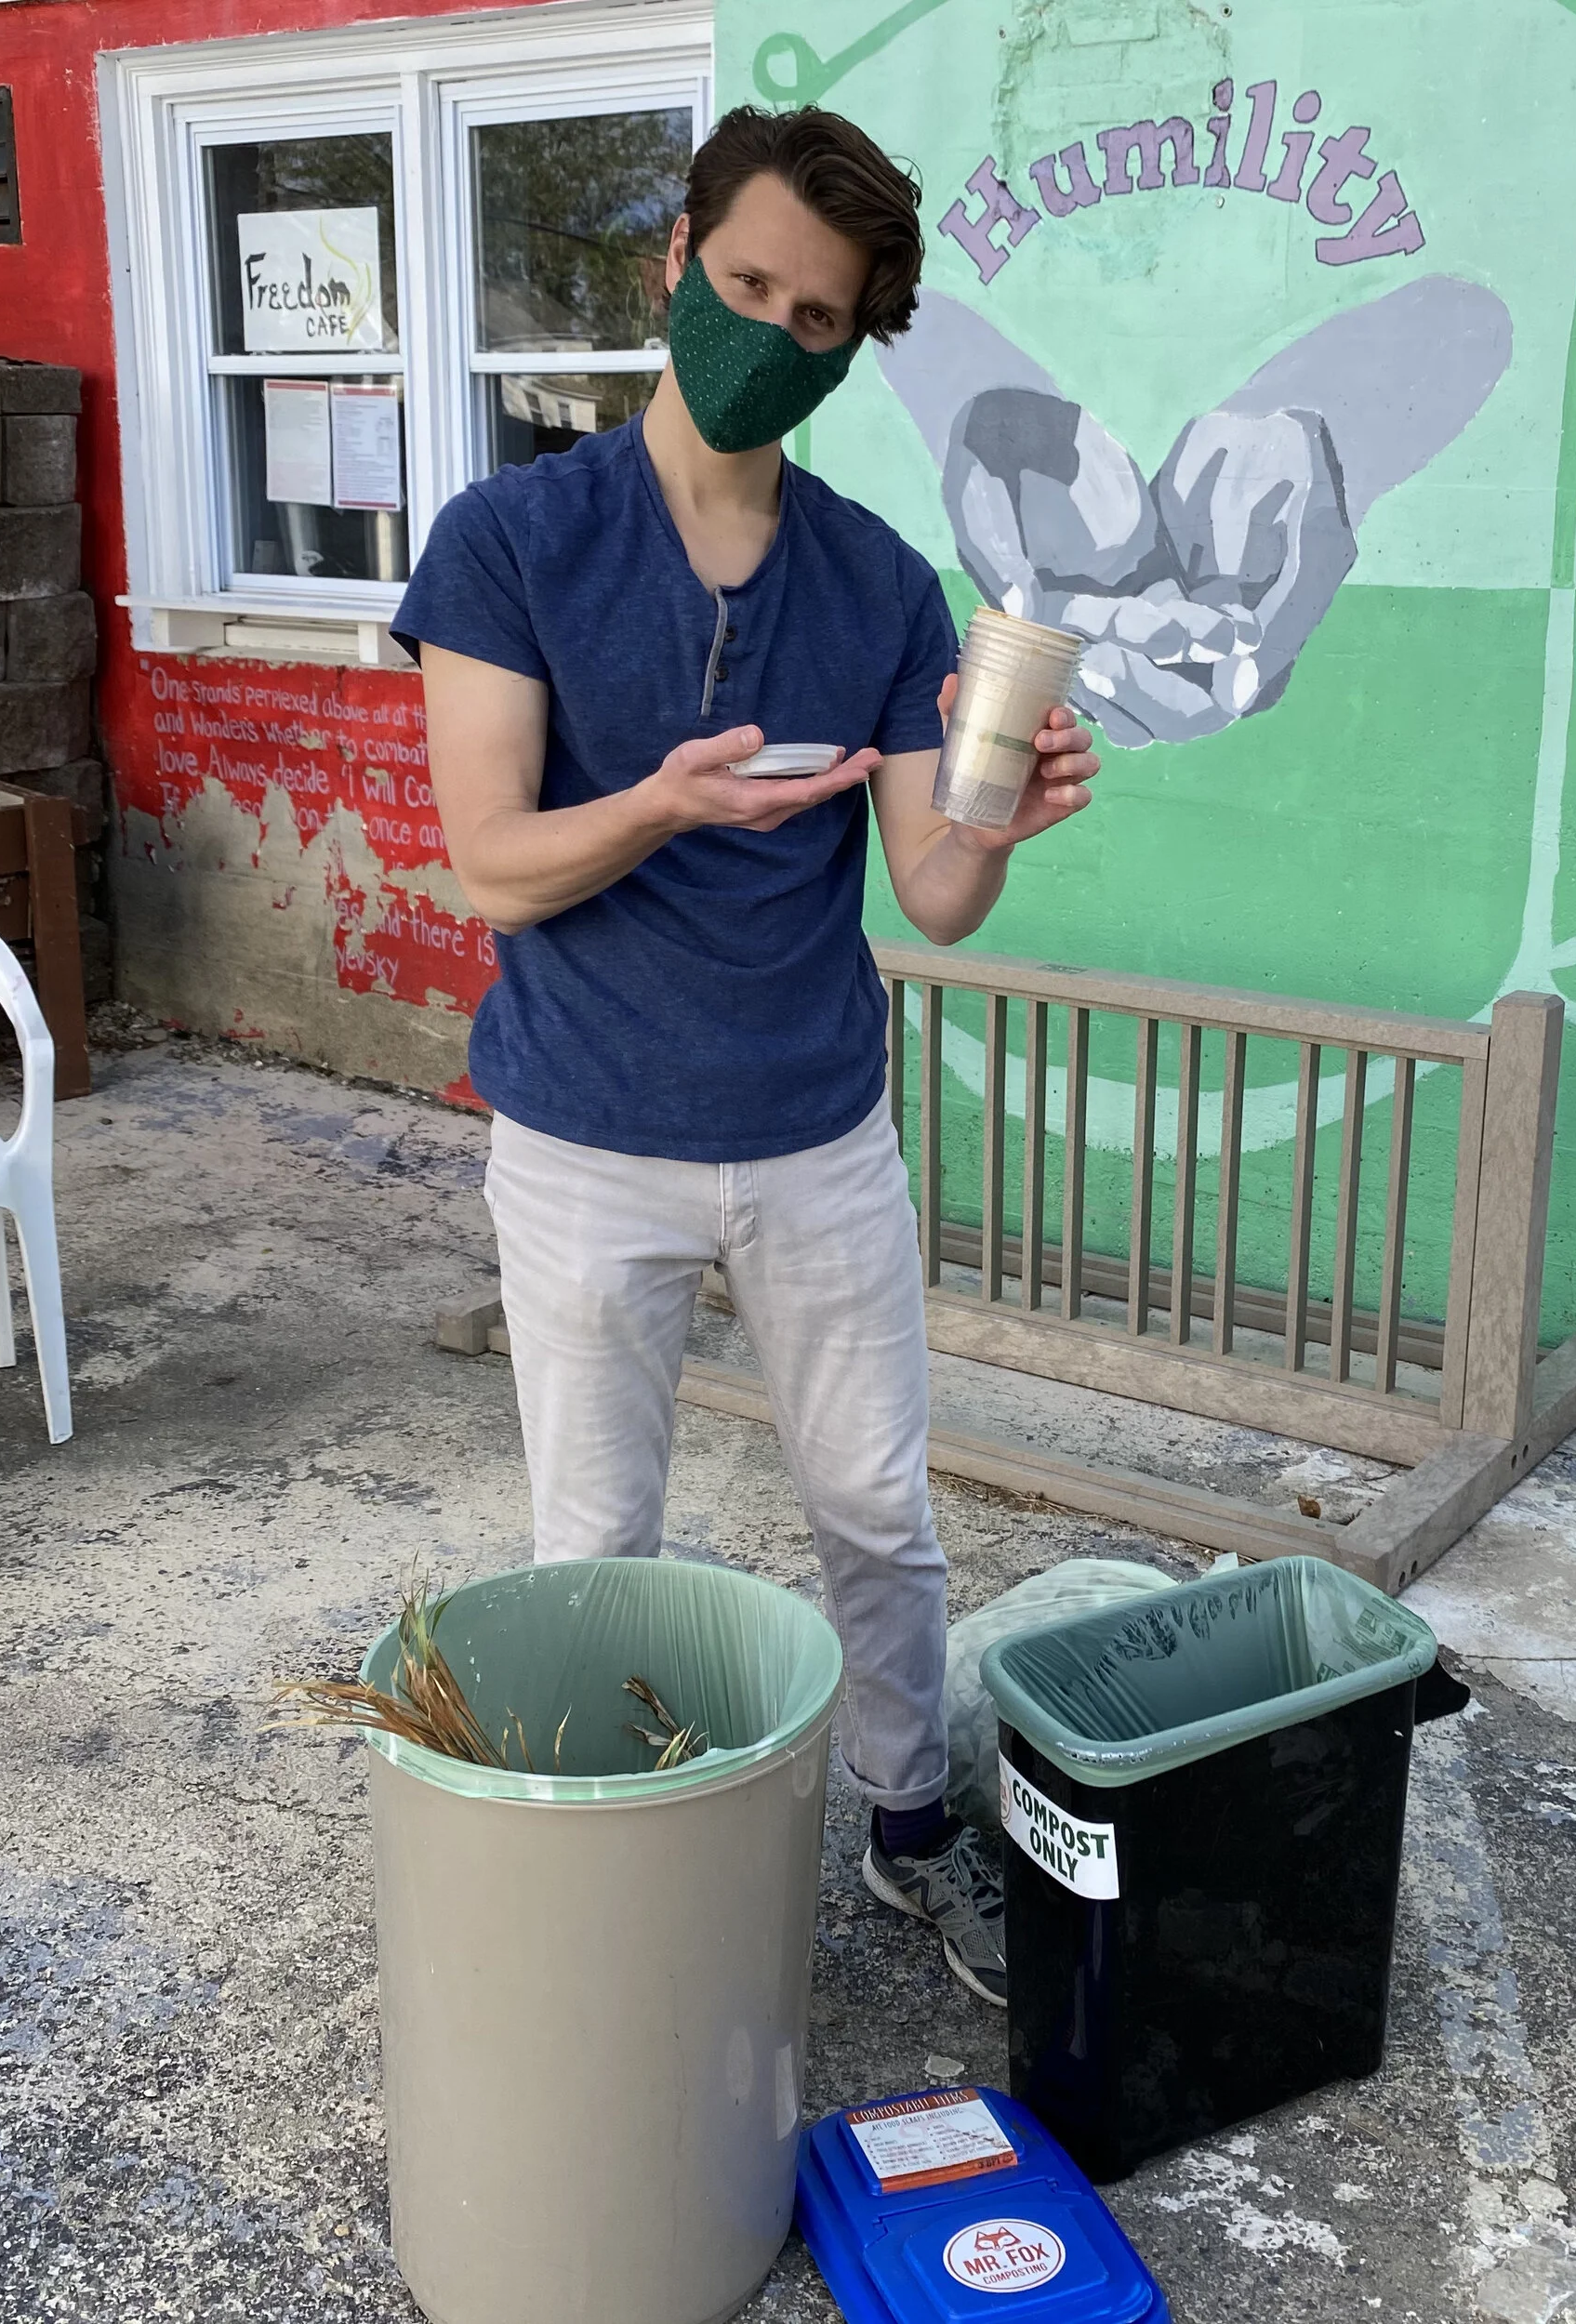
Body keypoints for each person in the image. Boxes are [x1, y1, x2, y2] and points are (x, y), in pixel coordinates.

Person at [390, 106, 1102, 2006]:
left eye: (815, 318)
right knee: (593, 1533)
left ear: (855, 342)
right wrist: (661, 802)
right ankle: (608, 1870)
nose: (767, 333)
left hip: (813, 1129)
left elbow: (930, 896)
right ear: (672, 261)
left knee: (874, 1504)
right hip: (584, 1133)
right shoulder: (514, 538)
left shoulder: (873, 580)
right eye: (742, 285)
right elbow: (491, 865)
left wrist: (1001, 818)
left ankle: (903, 1827)